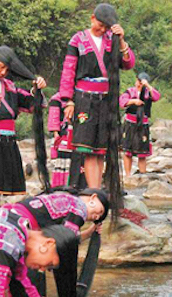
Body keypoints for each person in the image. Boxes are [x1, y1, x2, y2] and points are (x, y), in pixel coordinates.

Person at [59, 3, 135, 190]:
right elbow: (68, 72)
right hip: (84, 99)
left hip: (106, 101)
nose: (102, 30)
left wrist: (122, 40)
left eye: (106, 27)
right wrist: (67, 100)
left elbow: (128, 64)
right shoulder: (77, 40)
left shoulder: (112, 39)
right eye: (99, 25)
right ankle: (94, 191)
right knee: (89, 150)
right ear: (92, 18)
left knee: (101, 150)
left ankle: (97, 190)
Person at [0, 46, 47, 206]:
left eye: (7, 69)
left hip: (8, 140)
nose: (3, 72)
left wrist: (37, 89)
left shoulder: (10, 86)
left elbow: (32, 104)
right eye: (1, 66)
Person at [119, 72, 161, 176]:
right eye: (138, 81)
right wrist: (133, 101)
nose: (139, 84)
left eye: (141, 82)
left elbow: (156, 97)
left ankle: (142, 174)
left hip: (143, 124)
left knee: (142, 153)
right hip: (130, 124)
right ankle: (128, 175)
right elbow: (121, 102)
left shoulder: (148, 93)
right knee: (127, 151)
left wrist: (147, 86)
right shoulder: (130, 92)